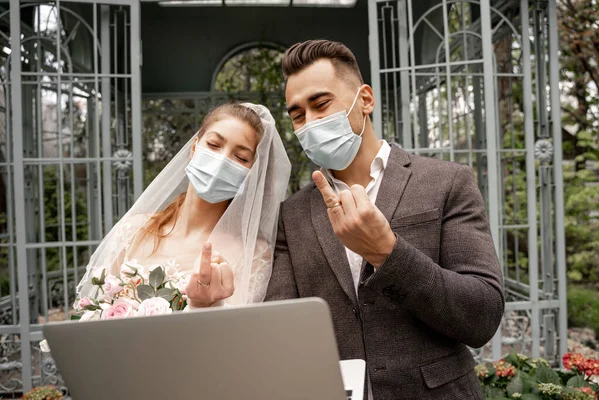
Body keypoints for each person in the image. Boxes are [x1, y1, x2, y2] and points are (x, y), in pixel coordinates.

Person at [265, 39, 504, 400]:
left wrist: (388, 253)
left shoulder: (447, 182)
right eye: (298, 114)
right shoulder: (292, 214)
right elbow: (282, 328)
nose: (309, 122)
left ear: (365, 99)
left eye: (321, 103)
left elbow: (481, 315)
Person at [75, 103, 291, 309]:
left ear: (251, 174)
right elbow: (95, 312)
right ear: (194, 147)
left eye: (241, 157)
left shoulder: (254, 255)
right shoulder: (134, 231)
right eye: (214, 145)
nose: (222, 161)